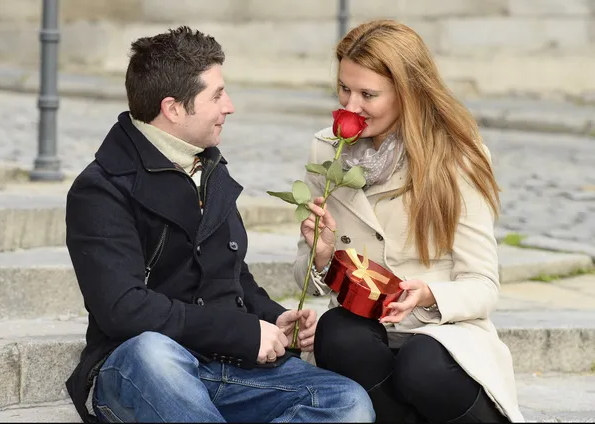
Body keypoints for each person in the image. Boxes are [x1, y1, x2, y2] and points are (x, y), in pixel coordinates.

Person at [64, 26, 374, 423]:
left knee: (347, 402)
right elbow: (124, 309)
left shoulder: (207, 167)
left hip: (229, 369)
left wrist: (272, 316)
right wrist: (242, 333)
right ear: (174, 108)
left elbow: (232, 275)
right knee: (152, 352)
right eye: (216, 95)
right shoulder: (102, 188)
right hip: (140, 368)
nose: (229, 106)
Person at [295, 20, 524, 423]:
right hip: (366, 333)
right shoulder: (326, 150)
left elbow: (483, 286)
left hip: (440, 336)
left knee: (421, 363)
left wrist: (429, 294)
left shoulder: (457, 159)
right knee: (337, 330)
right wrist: (321, 255)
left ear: (408, 93)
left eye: (368, 94)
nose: (350, 107)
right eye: (344, 89)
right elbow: (303, 280)